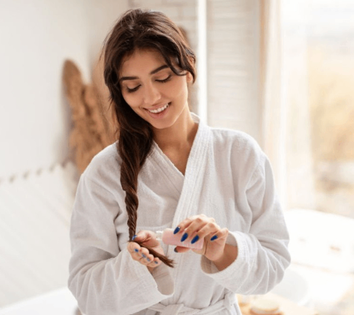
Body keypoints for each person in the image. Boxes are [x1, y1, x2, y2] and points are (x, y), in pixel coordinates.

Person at [68, 8, 291, 315]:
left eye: (162, 78)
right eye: (133, 87)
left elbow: (274, 264)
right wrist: (140, 266)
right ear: (120, 92)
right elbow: (86, 293)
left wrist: (224, 250)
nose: (151, 98)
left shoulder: (240, 155)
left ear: (189, 68)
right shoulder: (104, 172)